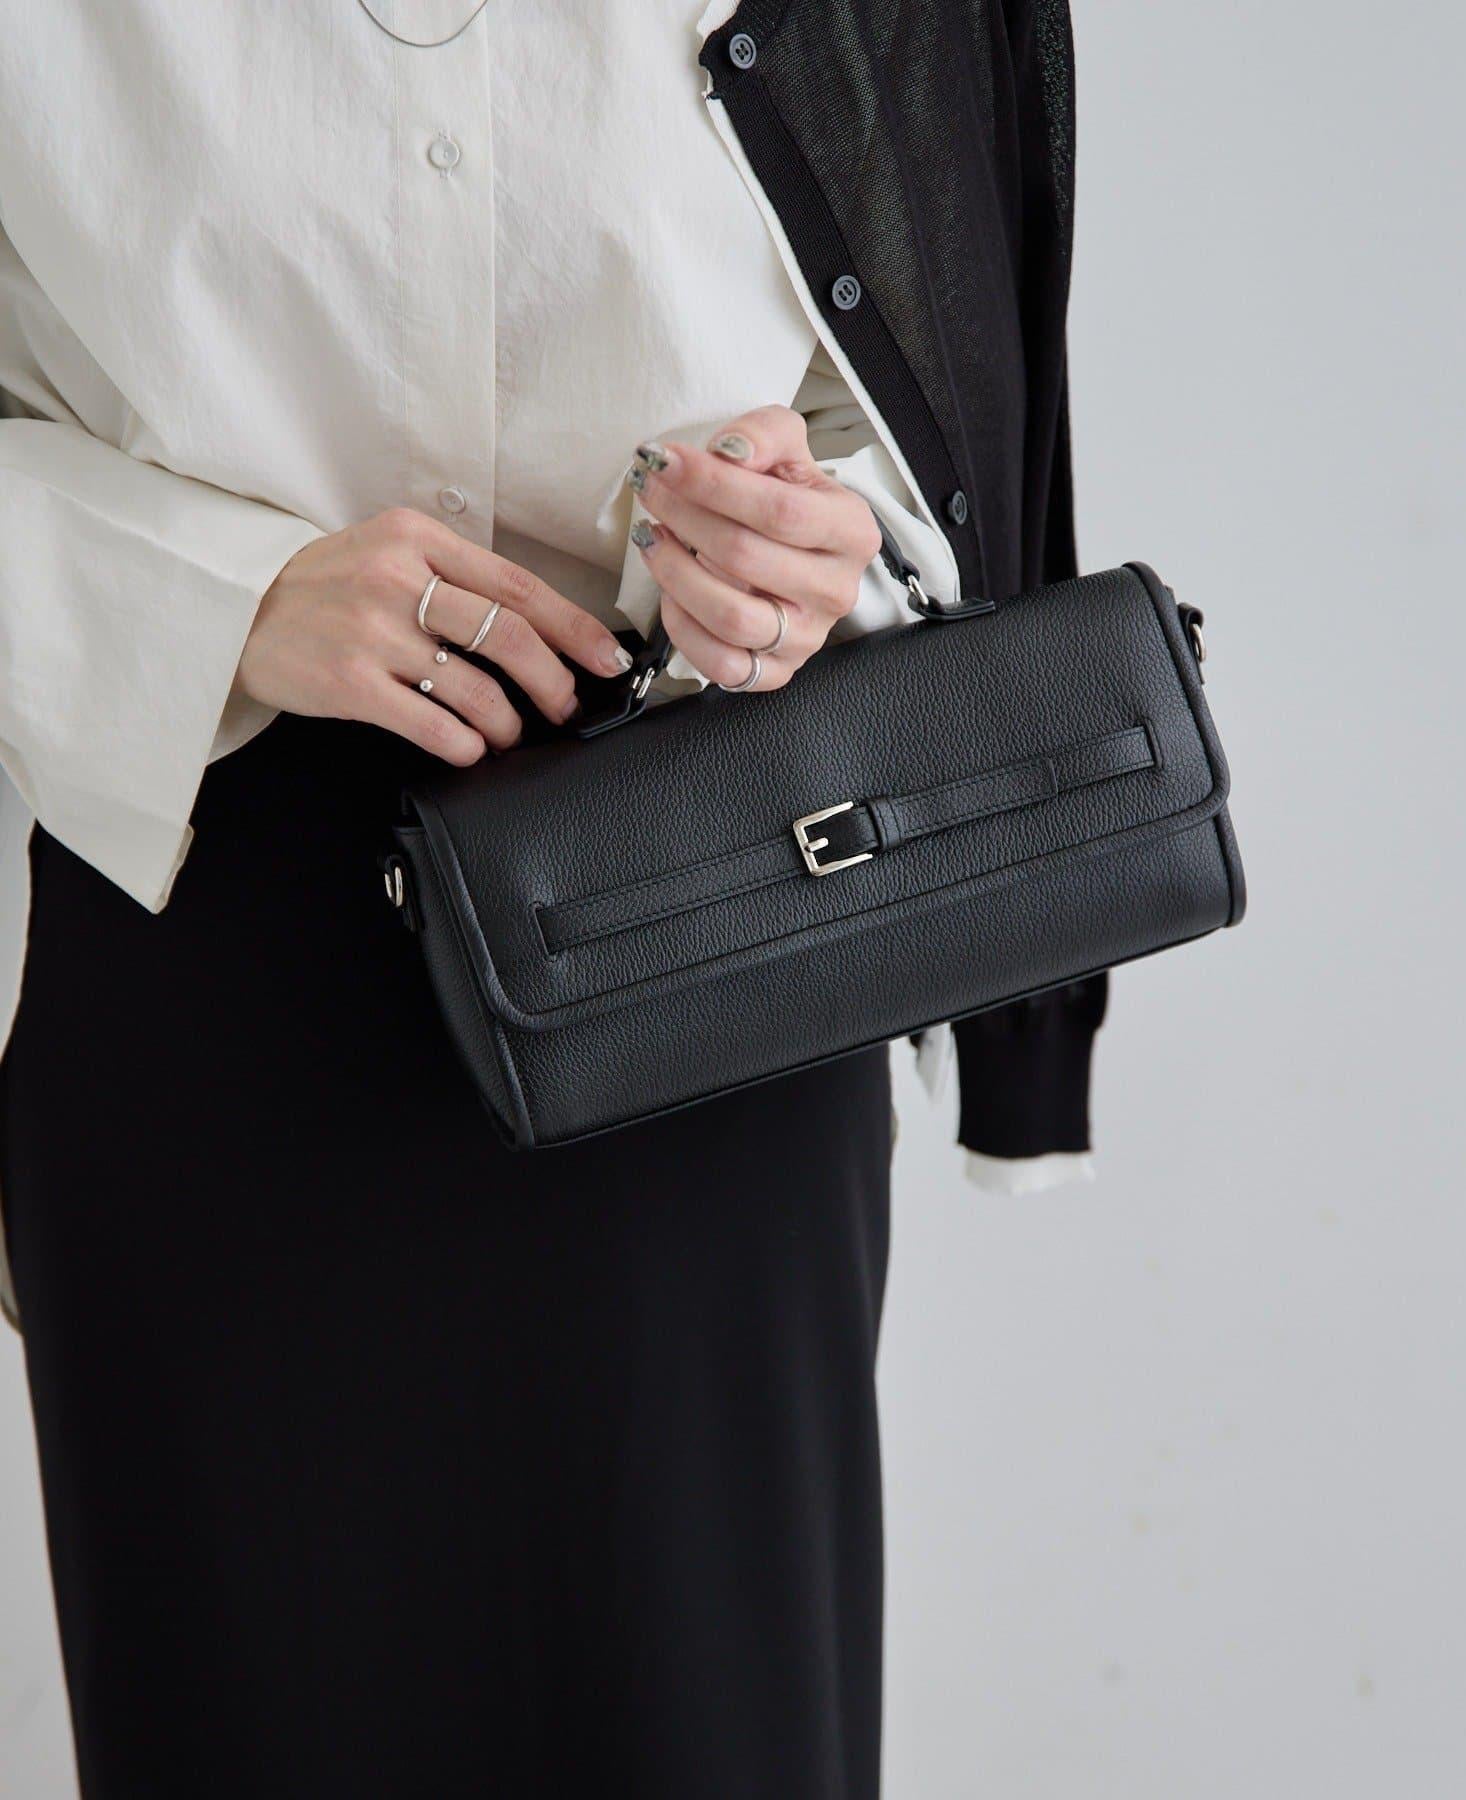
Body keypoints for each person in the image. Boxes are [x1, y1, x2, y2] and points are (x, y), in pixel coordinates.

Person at [0, 3, 1102, 1792]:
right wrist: (226, 597)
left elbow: (932, 383)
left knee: (705, 1724)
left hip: (713, 933)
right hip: (209, 937)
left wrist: (819, 545)